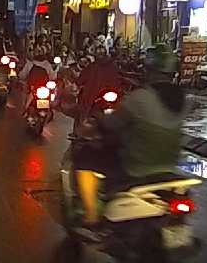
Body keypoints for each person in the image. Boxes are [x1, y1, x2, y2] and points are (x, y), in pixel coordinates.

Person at [72, 46, 185, 240]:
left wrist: (98, 120)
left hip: (137, 167)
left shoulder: (140, 97)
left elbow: (112, 124)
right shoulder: (182, 100)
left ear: (149, 70)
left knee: (84, 158)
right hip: (169, 167)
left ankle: (91, 219)